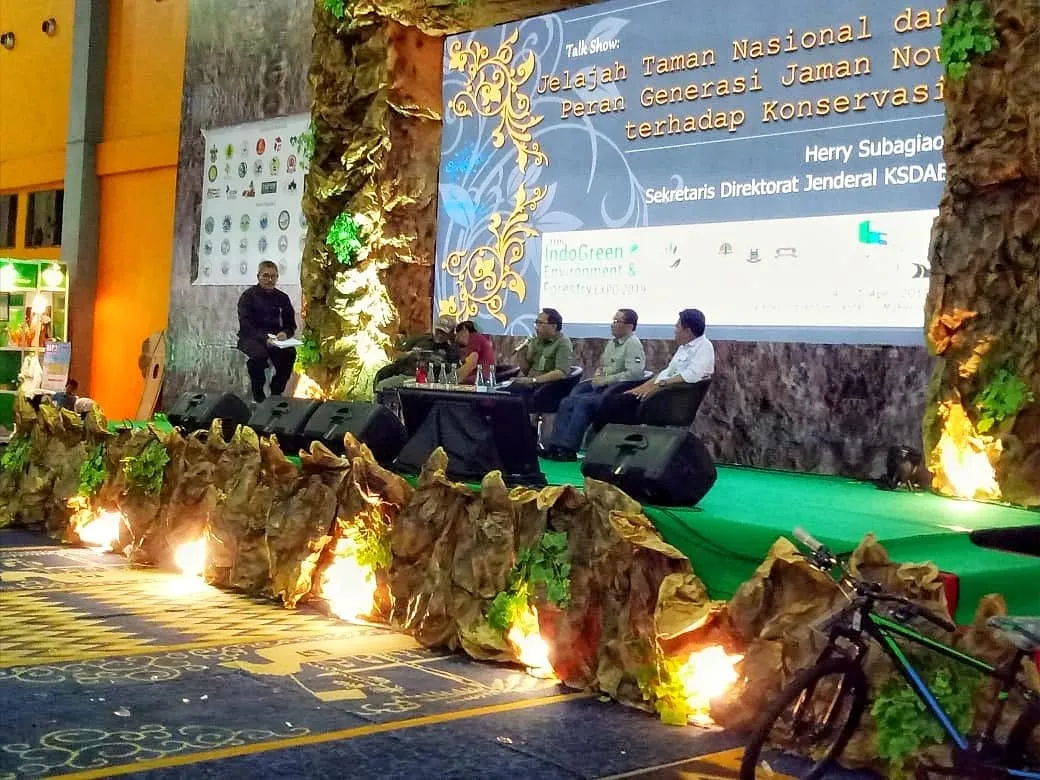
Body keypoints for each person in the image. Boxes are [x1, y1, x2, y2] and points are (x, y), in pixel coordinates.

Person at [542, 309, 645, 460]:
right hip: (602, 389)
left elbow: (634, 374)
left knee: (583, 403)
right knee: (567, 401)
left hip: (618, 393)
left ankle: (568, 448)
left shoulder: (633, 344)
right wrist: (598, 375)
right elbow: (603, 366)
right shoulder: (612, 343)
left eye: (617, 321)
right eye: (613, 320)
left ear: (629, 326)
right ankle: (555, 445)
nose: (612, 324)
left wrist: (606, 380)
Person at [593, 308, 714, 429]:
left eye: (677, 327)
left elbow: (692, 375)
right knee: (612, 398)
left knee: (614, 403)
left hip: (668, 398)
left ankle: (607, 435)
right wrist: (643, 387)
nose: (675, 330)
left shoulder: (704, 347)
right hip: (660, 390)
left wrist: (660, 385)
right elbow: (668, 371)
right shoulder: (684, 347)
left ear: (687, 331)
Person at [237, 260, 297, 403]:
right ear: (258, 276)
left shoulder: (283, 298)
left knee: (290, 353)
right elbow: (246, 325)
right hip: (251, 338)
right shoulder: (248, 297)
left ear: (277, 277)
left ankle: (276, 391)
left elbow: (290, 324)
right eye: (265, 276)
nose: (269, 280)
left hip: (275, 339)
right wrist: (264, 338)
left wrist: (285, 334)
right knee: (259, 356)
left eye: (273, 276)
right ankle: (258, 395)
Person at [373, 316, 459, 390]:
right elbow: (397, 355)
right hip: (408, 376)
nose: (439, 335)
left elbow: (456, 372)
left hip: (431, 381)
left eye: (443, 333)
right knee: (382, 383)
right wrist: (410, 354)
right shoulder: (420, 339)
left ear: (450, 334)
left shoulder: (451, 349)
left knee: (382, 386)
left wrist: (442, 363)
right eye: (438, 331)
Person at [511, 307, 575, 391]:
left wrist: (533, 380)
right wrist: (521, 353)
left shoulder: (563, 342)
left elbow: (561, 373)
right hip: (529, 384)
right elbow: (526, 371)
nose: (536, 327)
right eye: (536, 323)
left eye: (540, 323)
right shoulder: (537, 340)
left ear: (553, 326)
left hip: (544, 388)